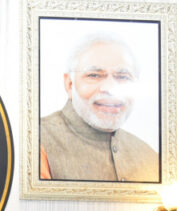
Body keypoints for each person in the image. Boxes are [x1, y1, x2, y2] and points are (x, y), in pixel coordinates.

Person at [39, 34, 159, 182]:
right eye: (94, 75)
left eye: (123, 77)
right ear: (69, 84)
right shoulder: (36, 140)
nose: (110, 88)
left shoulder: (149, 156)